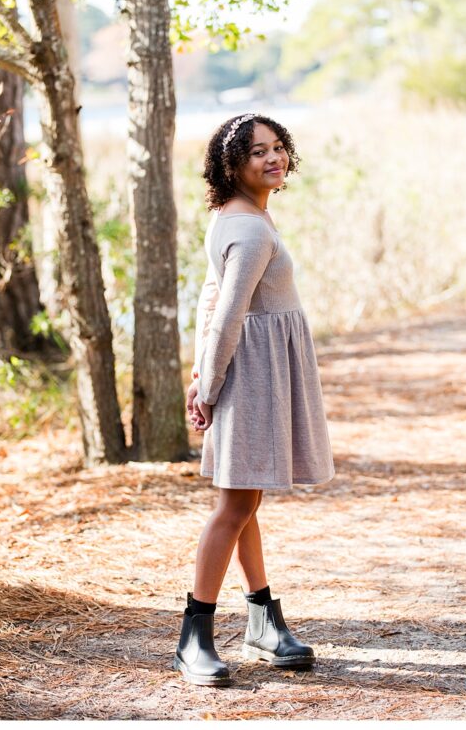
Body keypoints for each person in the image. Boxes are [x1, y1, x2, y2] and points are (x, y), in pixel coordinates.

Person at [173, 113, 334, 687]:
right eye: (257, 152)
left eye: (277, 148)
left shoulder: (236, 217)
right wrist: (207, 388)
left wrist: (199, 370)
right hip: (251, 377)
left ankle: (264, 620)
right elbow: (226, 314)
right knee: (233, 507)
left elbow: (208, 297)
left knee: (246, 501)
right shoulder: (252, 229)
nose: (273, 159)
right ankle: (194, 638)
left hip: (256, 373)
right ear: (232, 165)